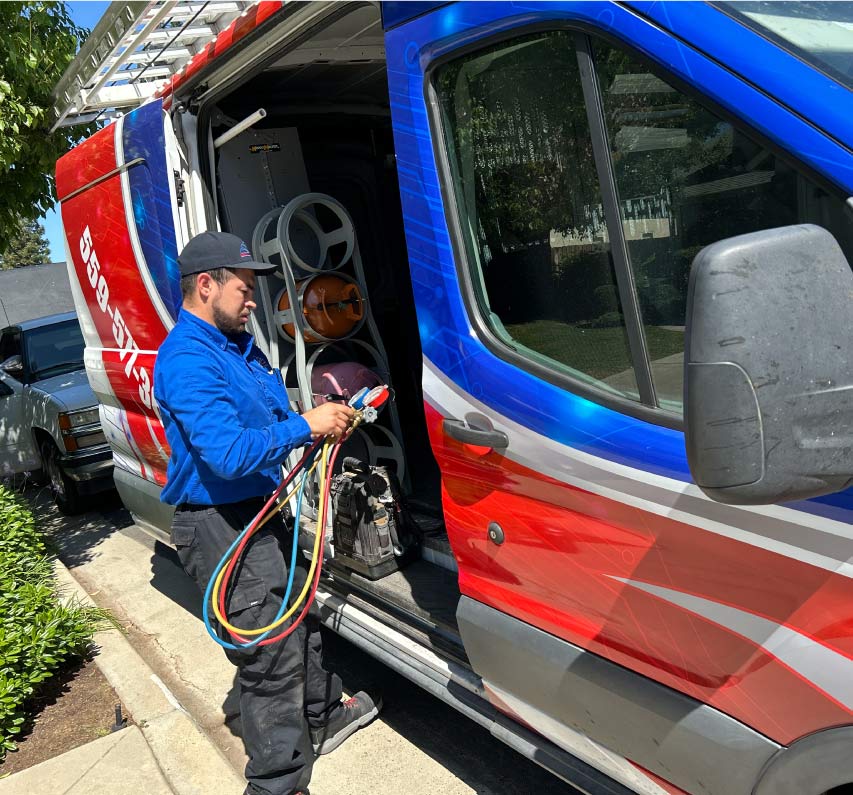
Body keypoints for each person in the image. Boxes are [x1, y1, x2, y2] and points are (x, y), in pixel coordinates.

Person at [153, 231, 380, 795]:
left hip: (256, 513)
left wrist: (317, 417)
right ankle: (276, 782)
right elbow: (227, 453)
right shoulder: (186, 358)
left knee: (294, 622)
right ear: (206, 286)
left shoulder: (233, 345)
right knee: (270, 659)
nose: (254, 299)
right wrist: (307, 426)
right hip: (221, 525)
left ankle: (324, 714)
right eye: (244, 288)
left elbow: (260, 424)